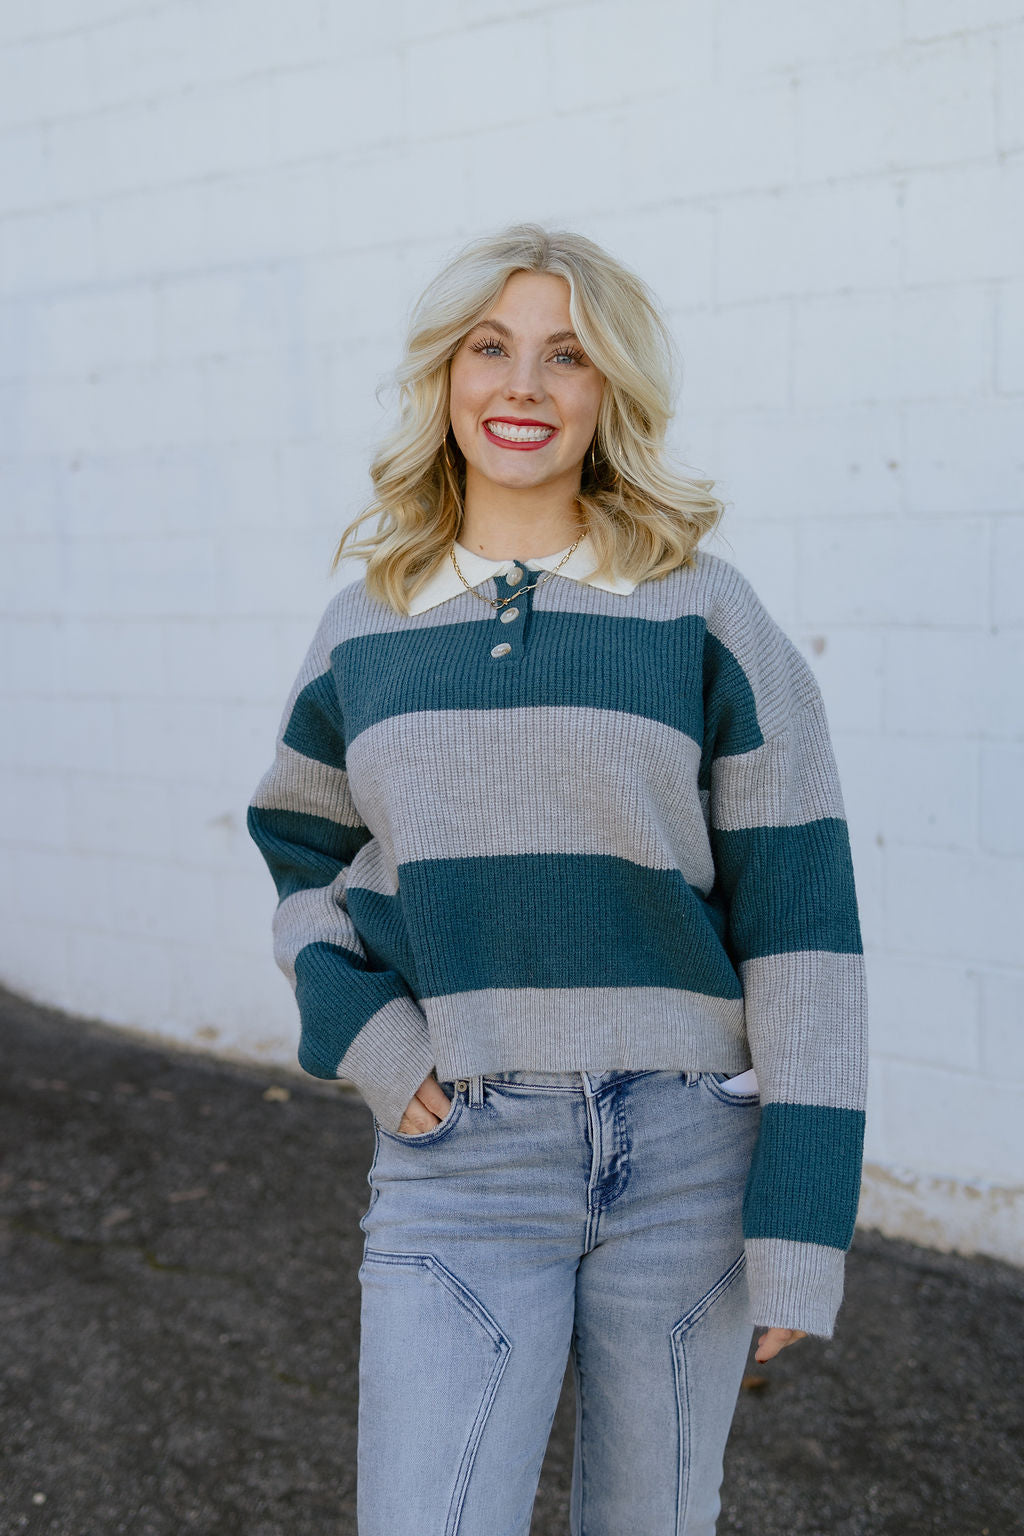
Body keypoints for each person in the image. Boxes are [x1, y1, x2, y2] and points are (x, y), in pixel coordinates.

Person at [246, 222, 868, 1536]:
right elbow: (298, 849)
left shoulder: (707, 610)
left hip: (692, 1159)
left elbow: (804, 927)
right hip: (462, 1154)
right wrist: (356, 1026)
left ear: (612, 392)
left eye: (566, 356)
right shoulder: (368, 623)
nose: (522, 387)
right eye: (491, 347)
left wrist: (801, 1222)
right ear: (447, 376)